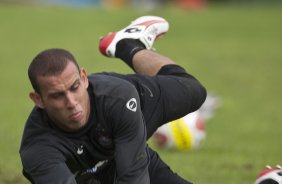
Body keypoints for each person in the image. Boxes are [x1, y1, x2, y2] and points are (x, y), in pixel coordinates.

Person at [19, 15, 207, 184]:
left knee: (195, 92)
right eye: (57, 95)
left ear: (84, 78)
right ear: (38, 99)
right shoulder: (38, 148)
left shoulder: (118, 98)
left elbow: (133, 178)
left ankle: (129, 46)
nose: (71, 101)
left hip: (128, 124)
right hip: (91, 171)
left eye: (74, 87)